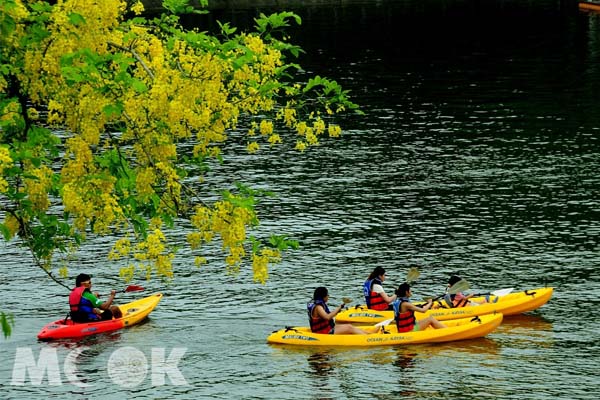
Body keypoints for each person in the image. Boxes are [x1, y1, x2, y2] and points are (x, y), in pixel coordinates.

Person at [307, 287, 376, 335]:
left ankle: (369, 333)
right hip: (322, 332)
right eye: (327, 295)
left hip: (327, 329)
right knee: (349, 328)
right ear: (323, 296)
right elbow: (327, 317)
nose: (328, 296)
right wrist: (338, 309)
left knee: (349, 326)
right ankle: (368, 337)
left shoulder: (318, 305)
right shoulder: (318, 307)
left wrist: (338, 310)